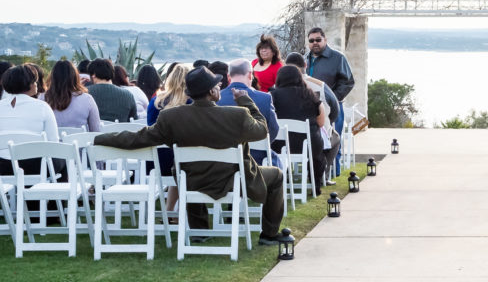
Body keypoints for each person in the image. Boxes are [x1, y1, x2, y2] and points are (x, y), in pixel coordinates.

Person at [97, 66, 286, 243]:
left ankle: (199, 232)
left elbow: (137, 138)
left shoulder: (171, 117)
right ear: (212, 92)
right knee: (277, 175)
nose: (220, 87)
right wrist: (246, 101)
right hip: (230, 180)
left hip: (192, 181)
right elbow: (262, 130)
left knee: (190, 172)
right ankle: (269, 235)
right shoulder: (237, 115)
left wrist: (100, 138)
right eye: (217, 85)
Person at [271, 63, 332, 189]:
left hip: (280, 145)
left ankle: (278, 182)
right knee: (319, 153)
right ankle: (316, 184)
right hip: (308, 144)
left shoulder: (272, 96)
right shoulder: (311, 96)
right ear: (299, 78)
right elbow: (321, 123)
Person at [219, 60, 281, 164]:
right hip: (258, 159)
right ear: (250, 75)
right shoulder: (265, 98)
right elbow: (273, 130)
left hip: (225, 159)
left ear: (228, 77)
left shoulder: (216, 99)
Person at [305, 27, 355, 143]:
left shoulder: (338, 58)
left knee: (333, 143)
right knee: (313, 145)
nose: (315, 43)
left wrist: (331, 98)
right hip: (311, 108)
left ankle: (336, 162)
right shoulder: (305, 59)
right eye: (311, 41)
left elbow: (348, 82)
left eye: (318, 39)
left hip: (333, 108)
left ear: (325, 40)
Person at [0, 65, 60, 141]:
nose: (36, 84)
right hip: (35, 152)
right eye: (34, 81)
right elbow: (53, 140)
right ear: (28, 83)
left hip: (2, 152)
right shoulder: (43, 107)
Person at [44, 59, 102, 132]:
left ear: (52, 77)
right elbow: (96, 130)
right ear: (75, 77)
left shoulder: (42, 98)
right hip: (80, 142)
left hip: (51, 143)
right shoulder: (87, 99)